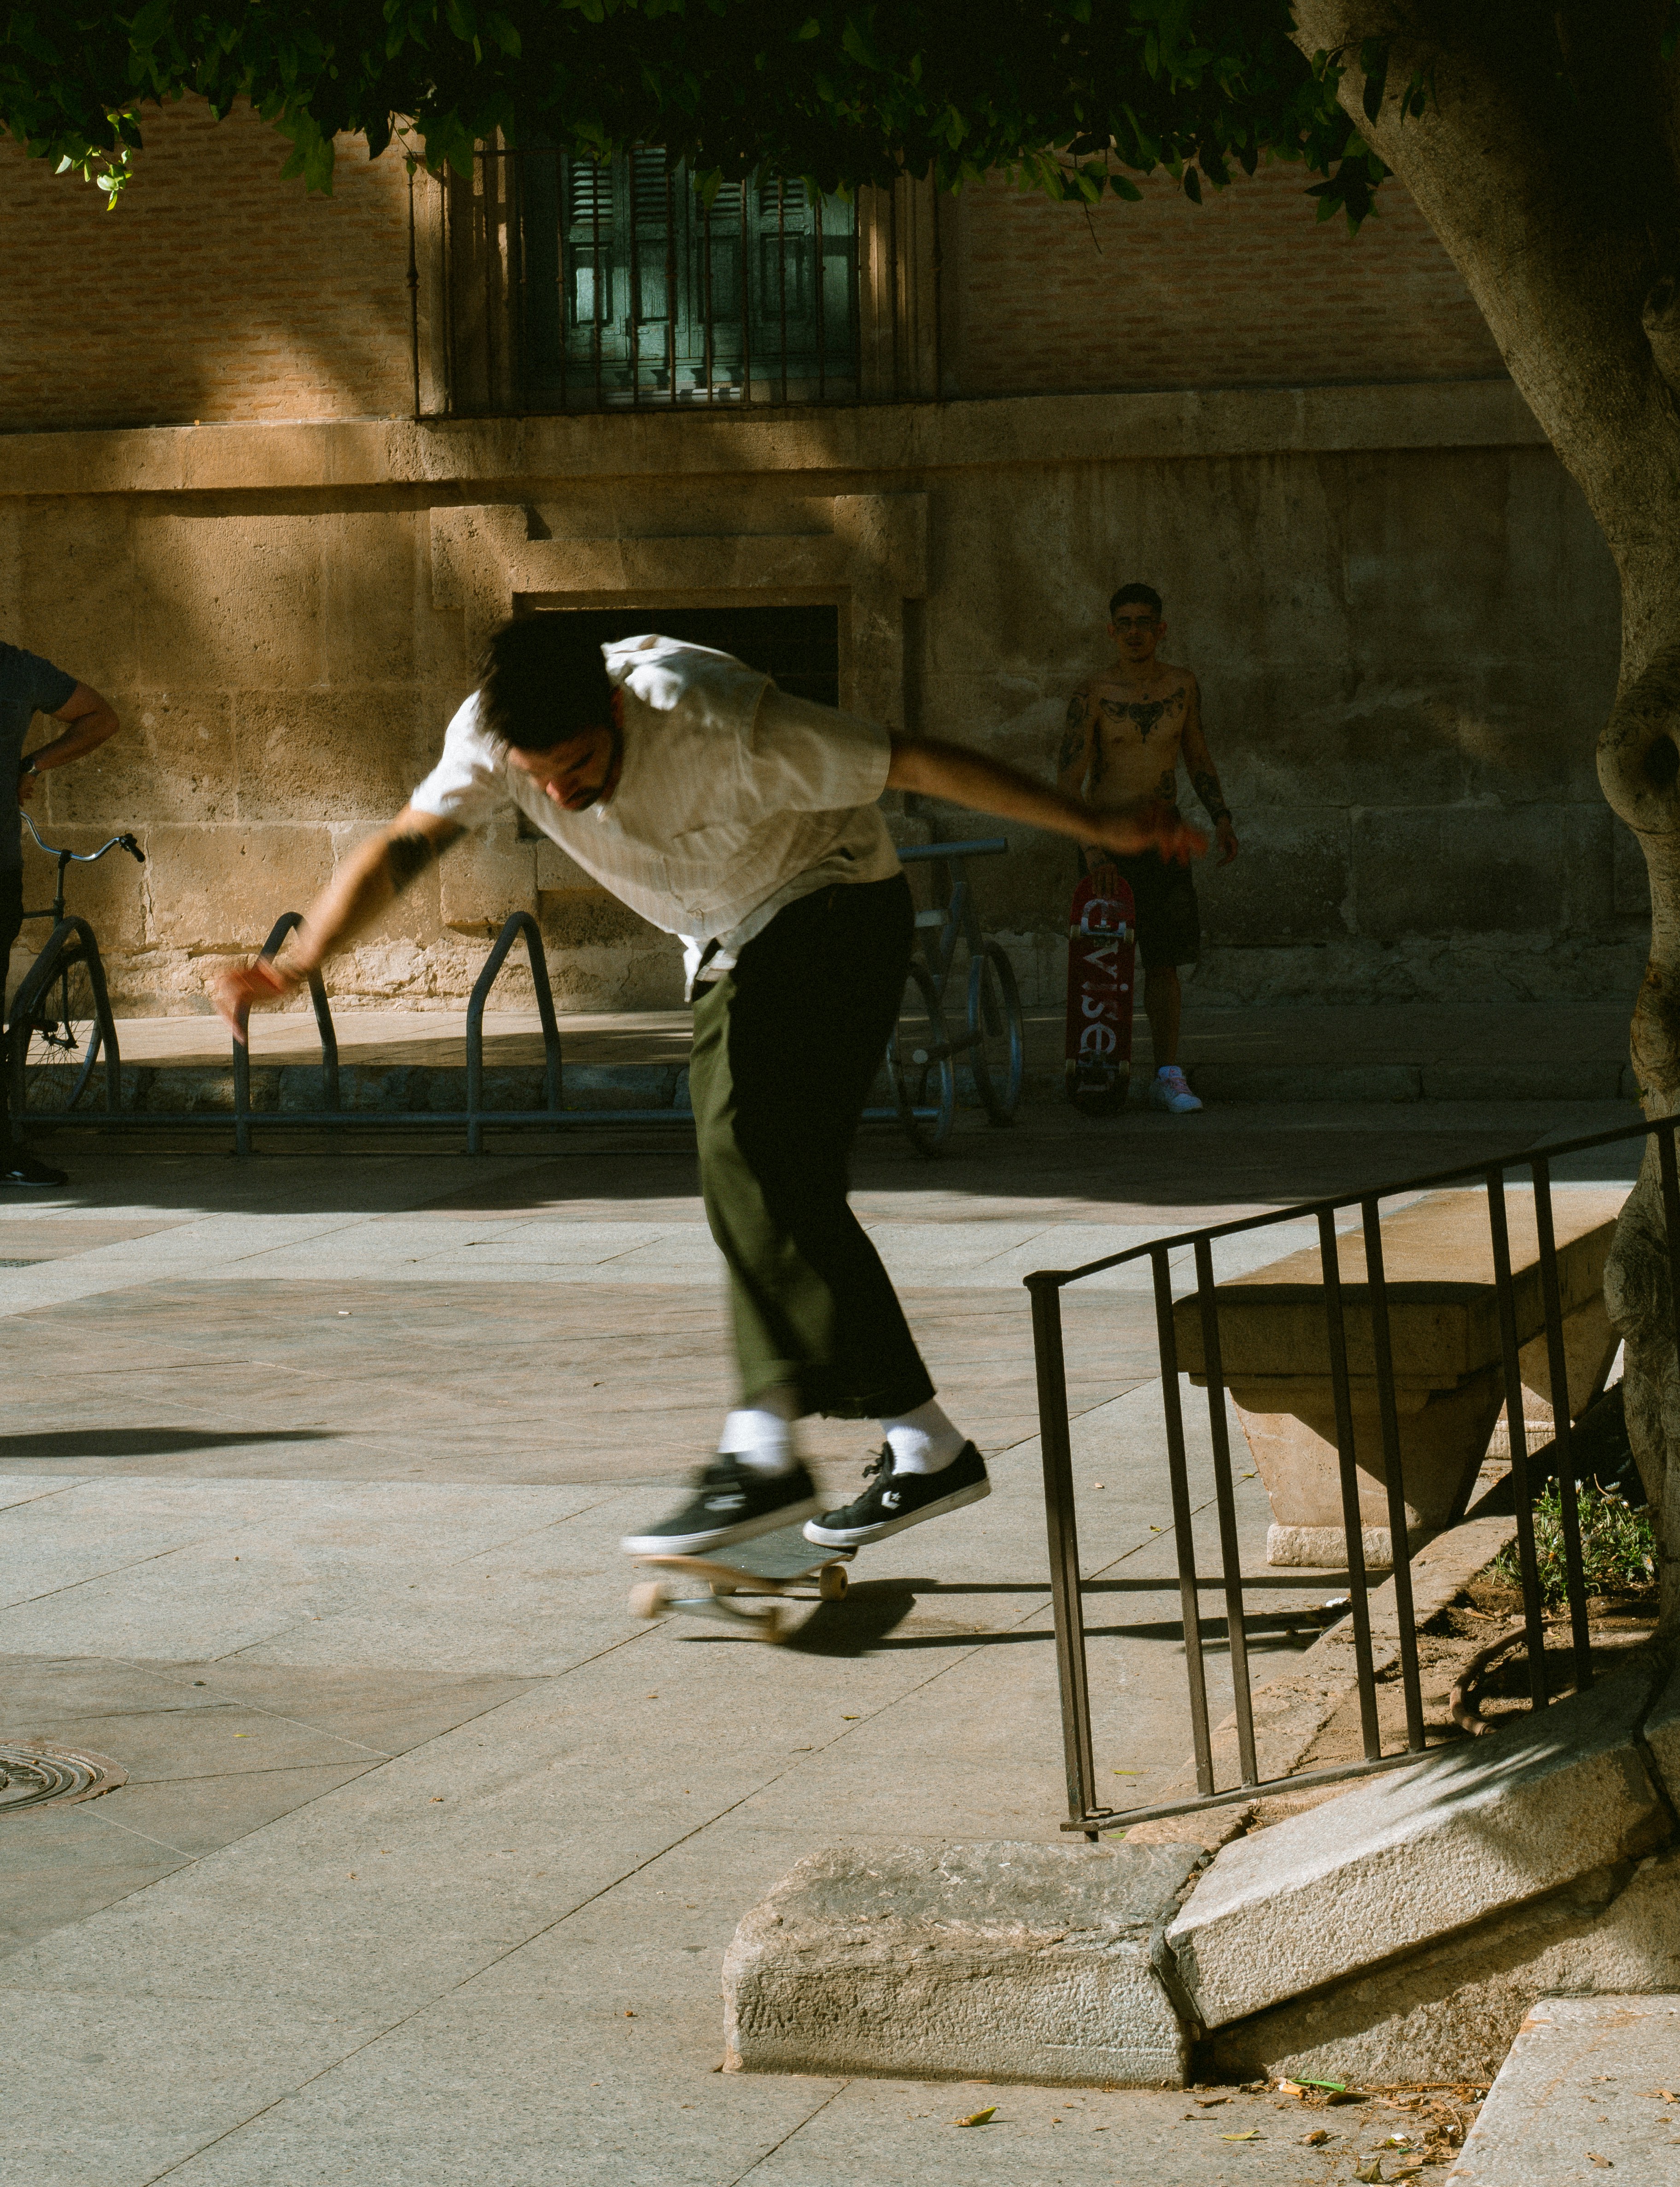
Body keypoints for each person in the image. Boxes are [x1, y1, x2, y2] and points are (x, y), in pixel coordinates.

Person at [213, 621, 1204, 1558]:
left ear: (615, 709)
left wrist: (1096, 822)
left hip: (838, 905)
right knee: (763, 1184)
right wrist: (299, 963)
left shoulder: (718, 713)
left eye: (583, 769)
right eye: (541, 779)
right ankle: (922, 1445)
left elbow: (913, 761)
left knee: (751, 1150)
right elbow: (406, 844)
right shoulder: (491, 732)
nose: (562, 796)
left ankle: (765, 1454)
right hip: (731, 940)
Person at [1058, 582, 1237, 1115]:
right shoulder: (1093, 693)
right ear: (1112, 631)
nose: (1135, 632)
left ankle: (1166, 1073)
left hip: (1163, 839)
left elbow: (1198, 755)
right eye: (1125, 623)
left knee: (1164, 961)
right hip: (1108, 842)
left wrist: (1221, 817)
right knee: (1101, 964)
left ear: (1161, 630)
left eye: (1145, 623)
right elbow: (1069, 784)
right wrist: (1093, 854)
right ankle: (1097, 1068)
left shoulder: (1183, 686)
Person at [2, 643, 120, 1191]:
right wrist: (28, 766)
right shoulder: (16, 666)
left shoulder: (16, 669)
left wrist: (28, 764)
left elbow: (101, 718)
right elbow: (99, 717)